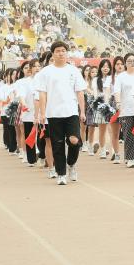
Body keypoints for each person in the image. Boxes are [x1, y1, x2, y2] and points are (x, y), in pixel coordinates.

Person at [35, 41, 87, 185]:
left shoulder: (73, 70)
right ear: (53, 54)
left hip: (71, 112)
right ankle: (61, 174)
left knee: (74, 140)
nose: (61, 53)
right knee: (57, 145)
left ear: (67, 53)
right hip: (53, 114)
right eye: (58, 51)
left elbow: (80, 92)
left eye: (63, 50)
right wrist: (42, 113)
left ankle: (71, 164)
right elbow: (42, 94)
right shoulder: (46, 72)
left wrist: (82, 111)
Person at [112, 53, 134, 169]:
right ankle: (130, 159)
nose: (132, 63)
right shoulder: (121, 77)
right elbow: (117, 91)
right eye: (129, 61)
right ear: (125, 63)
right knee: (128, 135)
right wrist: (118, 103)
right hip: (126, 110)